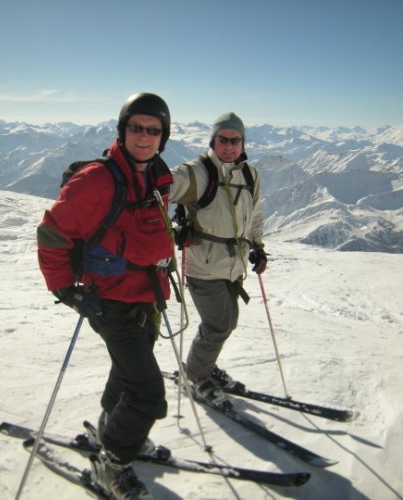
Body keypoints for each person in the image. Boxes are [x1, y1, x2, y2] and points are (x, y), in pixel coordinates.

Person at [37, 92, 175, 499]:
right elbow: (51, 232)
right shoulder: (97, 179)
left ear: (163, 136)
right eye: (137, 127)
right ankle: (111, 463)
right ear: (123, 129)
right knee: (148, 392)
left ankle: (112, 432)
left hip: (146, 294)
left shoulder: (157, 175)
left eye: (154, 130)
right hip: (109, 299)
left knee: (127, 370)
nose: (145, 136)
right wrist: (64, 288)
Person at [169, 111, 267, 405]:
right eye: (223, 139)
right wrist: (174, 230)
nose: (229, 145)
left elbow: (256, 215)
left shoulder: (249, 175)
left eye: (235, 140)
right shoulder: (196, 172)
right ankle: (197, 375)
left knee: (227, 321)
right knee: (218, 324)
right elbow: (159, 193)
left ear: (242, 143)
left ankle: (203, 366)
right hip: (203, 264)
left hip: (233, 265)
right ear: (213, 140)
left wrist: (258, 246)